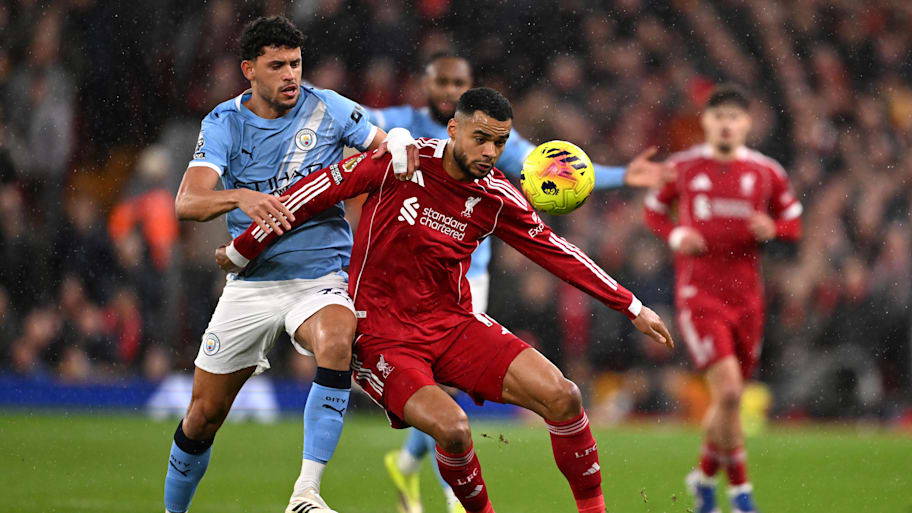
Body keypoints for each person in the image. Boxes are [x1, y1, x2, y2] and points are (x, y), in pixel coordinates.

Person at [219, 87, 674, 513]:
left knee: (565, 397)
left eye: (498, 143)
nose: (489, 153)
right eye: (480, 139)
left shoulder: (495, 195)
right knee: (453, 430)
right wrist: (245, 247)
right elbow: (314, 191)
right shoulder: (403, 161)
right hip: (381, 336)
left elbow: (555, 250)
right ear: (453, 129)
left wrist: (631, 306)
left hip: (452, 323)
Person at [368, 52, 670, 513]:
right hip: (389, 315)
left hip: (464, 290)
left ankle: (418, 469)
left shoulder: (492, 161)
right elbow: (343, 123)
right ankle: (441, 488)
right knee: (447, 417)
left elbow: (557, 174)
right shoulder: (398, 130)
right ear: (442, 106)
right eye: (443, 81)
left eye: (459, 81)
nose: (450, 89)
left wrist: (621, 177)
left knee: (545, 396)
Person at [164, 16, 416, 513]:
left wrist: (401, 137)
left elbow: (389, 151)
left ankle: (306, 493)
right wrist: (242, 197)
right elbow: (187, 202)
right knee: (202, 417)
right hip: (252, 283)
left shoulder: (329, 108)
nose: (290, 75)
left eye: (296, 63)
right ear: (248, 71)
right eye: (276, 65)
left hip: (320, 278)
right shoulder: (223, 123)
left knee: (338, 335)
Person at [643, 84, 802, 513]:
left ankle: (703, 477)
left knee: (729, 399)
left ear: (747, 124)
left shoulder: (767, 172)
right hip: (700, 294)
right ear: (706, 122)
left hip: (748, 298)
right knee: (730, 393)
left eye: (735, 117)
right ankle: (742, 493)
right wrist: (677, 233)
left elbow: (793, 220)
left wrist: (774, 229)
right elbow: (653, 210)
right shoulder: (683, 167)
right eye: (719, 117)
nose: (727, 124)